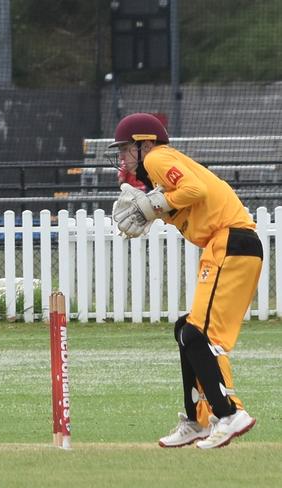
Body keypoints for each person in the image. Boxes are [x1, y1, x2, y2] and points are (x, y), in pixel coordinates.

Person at [109, 113, 262, 449]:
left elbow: (195, 189)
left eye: (125, 150)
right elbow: (187, 198)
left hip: (232, 244)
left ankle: (229, 414)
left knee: (196, 334)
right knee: (186, 331)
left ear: (144, 143)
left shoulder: (157, 157)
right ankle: (197, 420)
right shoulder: (159, 171)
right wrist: (154, 208)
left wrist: (157, 204)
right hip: (228, 246)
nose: (121, 158)